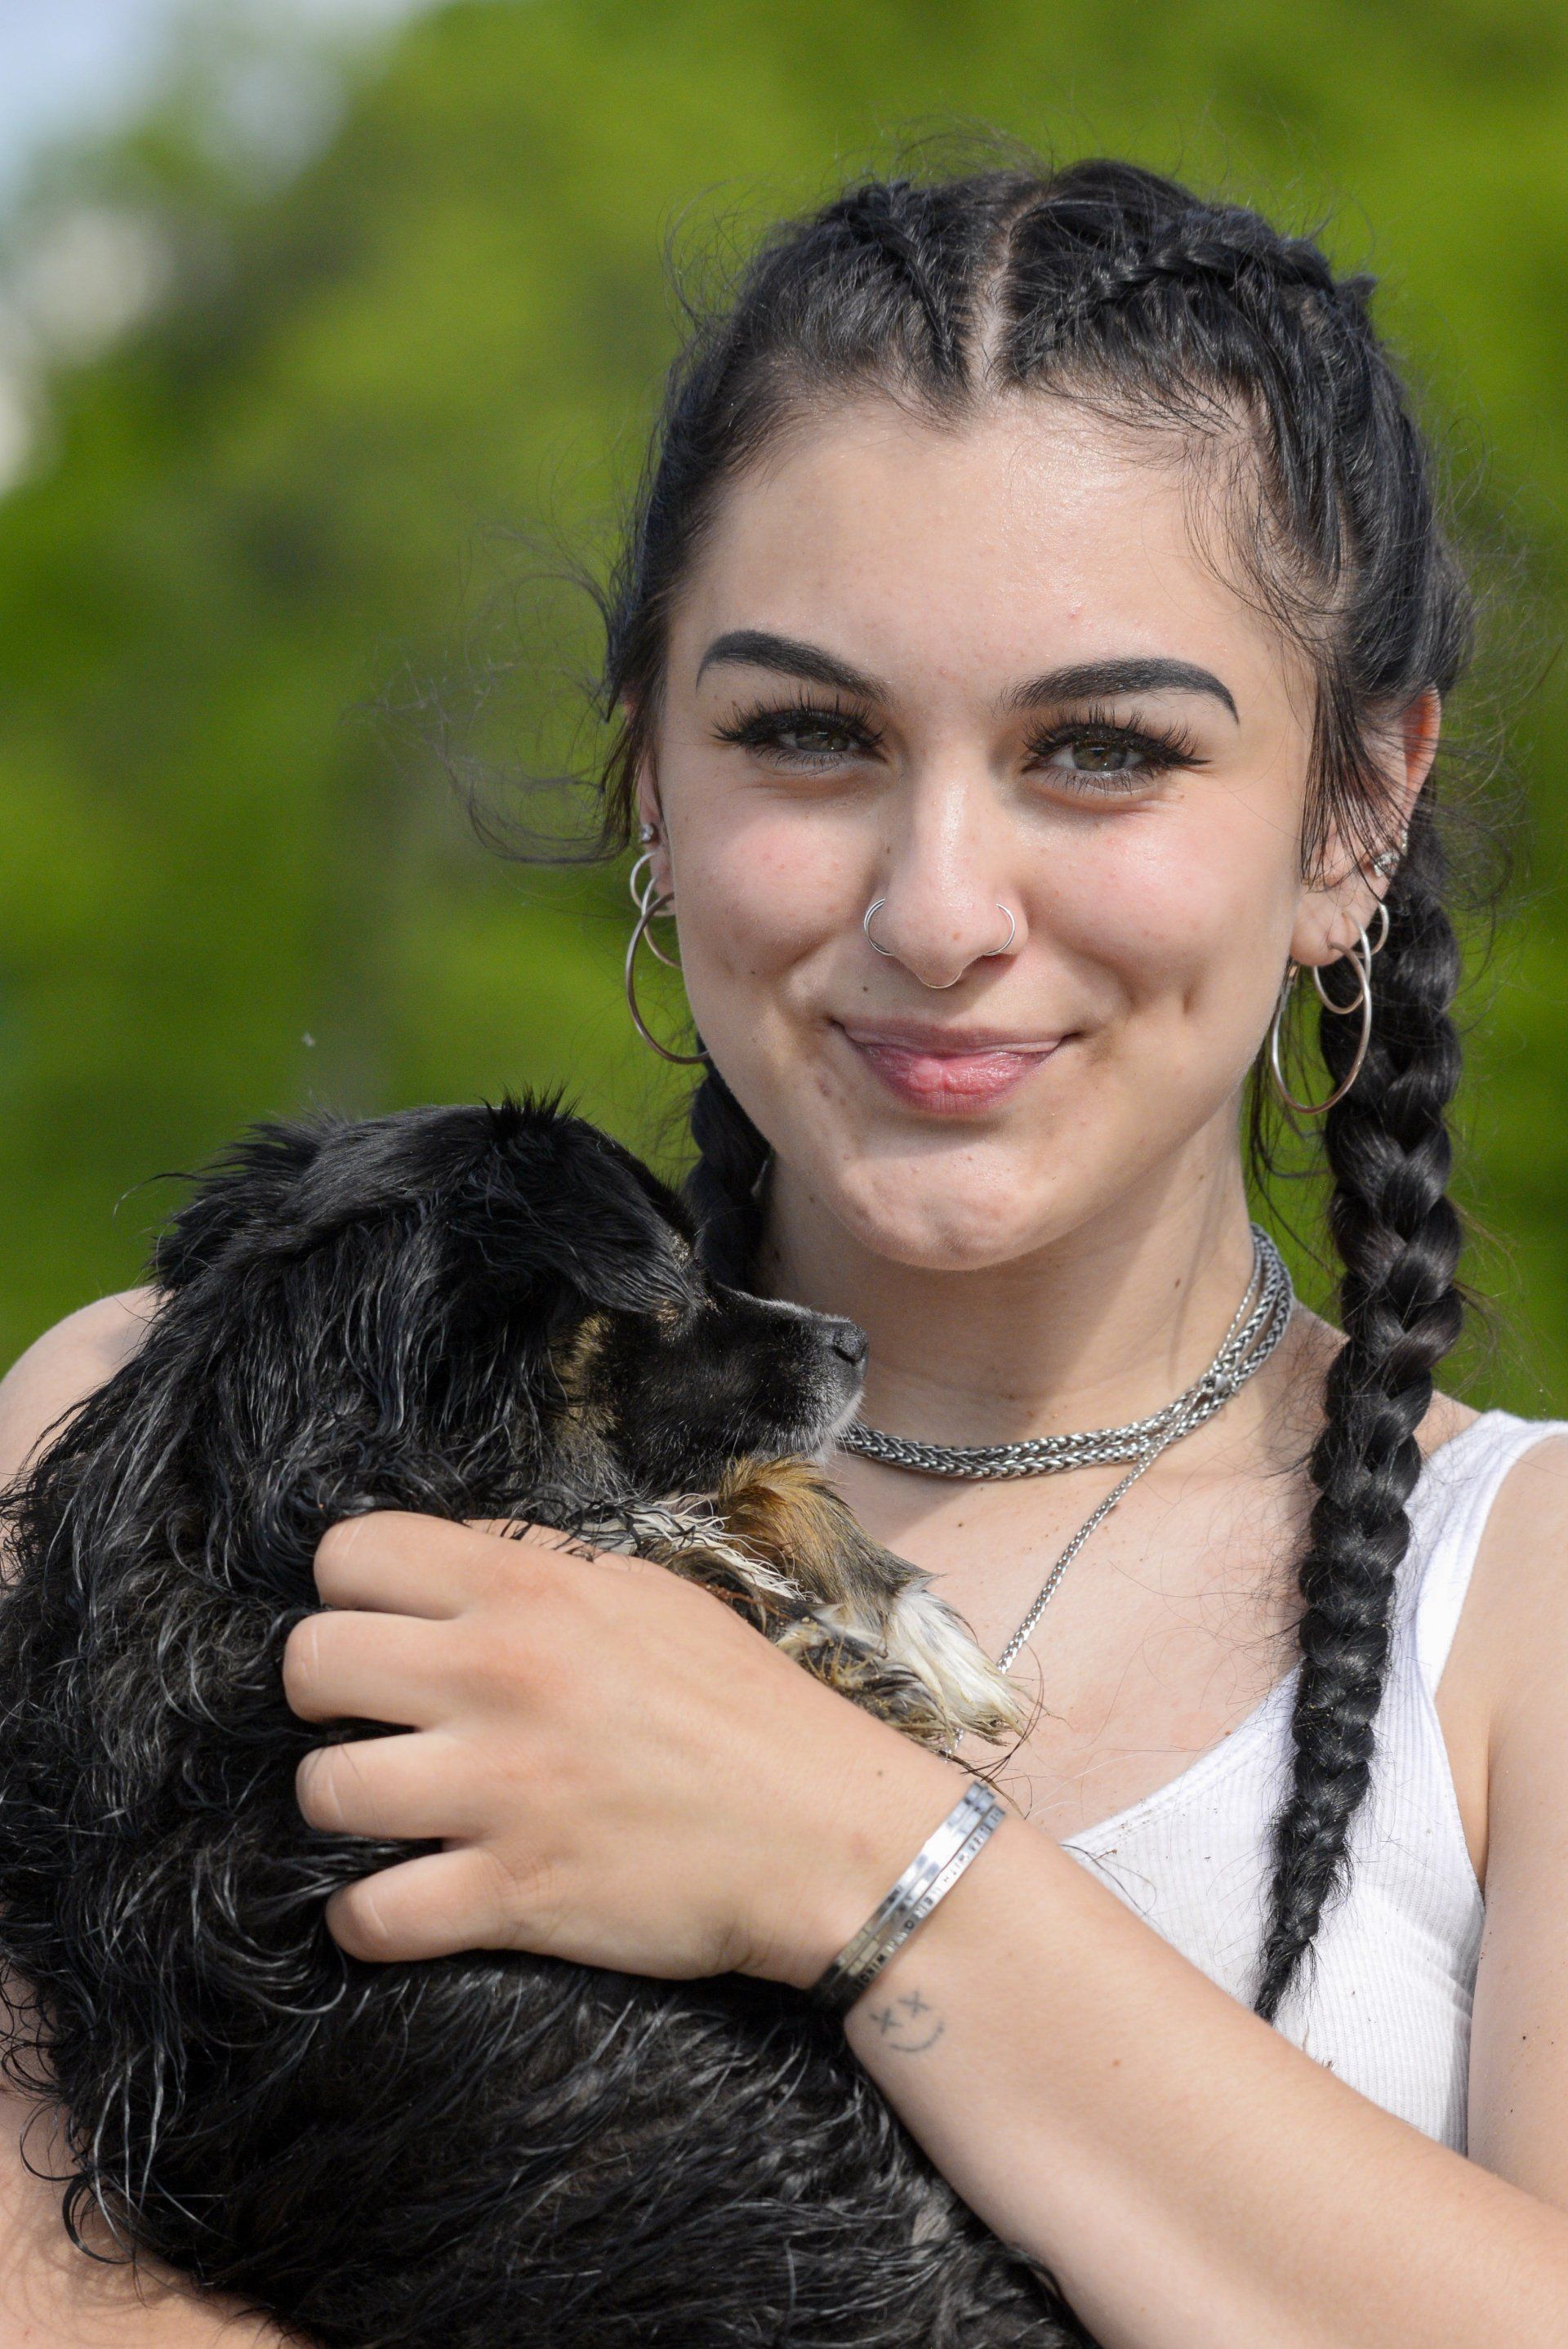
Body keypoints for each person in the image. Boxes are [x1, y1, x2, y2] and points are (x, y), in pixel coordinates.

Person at [2, 155, 1568, 2347]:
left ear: (1355, 818)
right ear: (650, 765)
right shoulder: (152, 1432)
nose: (938, 905)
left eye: (1102, 750)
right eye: (808, 735)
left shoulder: (1519, 1603)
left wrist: (860, 1856)